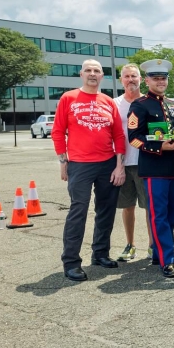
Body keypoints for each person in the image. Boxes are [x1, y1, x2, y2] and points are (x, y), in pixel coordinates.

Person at [52, 59, 126, 281]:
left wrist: (119, 166)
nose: (92, 74)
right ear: (81, 74)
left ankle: (100, 254)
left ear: (102, 76)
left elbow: (118, 136)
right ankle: (71, 262)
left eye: (97, 71)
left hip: (107, 164)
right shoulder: (68, 98)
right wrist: (63, 162)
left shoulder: (108, 101)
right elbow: (58, 131)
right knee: (78, 211)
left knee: (106, 210)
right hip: (80, 165)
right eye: (88, 70)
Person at [127, 59, 174, 278]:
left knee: (171, 215)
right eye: (156, 78)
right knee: (159, 215)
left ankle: (161, 254)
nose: (161, 82)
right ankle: (166, 259)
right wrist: (160, 146)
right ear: (148, 80)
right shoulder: (140, 105)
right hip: (154, 168)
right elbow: (134, 139)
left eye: (164, 78)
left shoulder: (173, 105)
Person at [113, 63, 152, 262]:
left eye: (134, 76)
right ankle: (130, 245)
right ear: (121, 80)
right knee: (127, 207)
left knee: (148, 207)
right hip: (122, 163)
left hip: (145, 161)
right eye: (126, 76)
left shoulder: (149, 101)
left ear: (141, 79)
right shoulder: (114, 103)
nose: (130, 80)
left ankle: (152, 246)